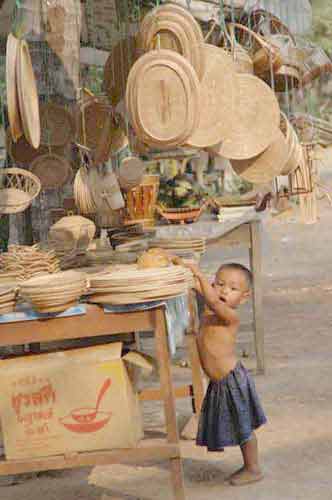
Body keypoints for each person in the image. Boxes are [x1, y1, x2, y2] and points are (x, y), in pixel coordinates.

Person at [184, 261, 267, 486]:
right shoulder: (210, 313)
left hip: (232, 380)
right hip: (220, 382)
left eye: (232, 288)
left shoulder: (229, 316)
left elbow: (210, 298)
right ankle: (249, 465)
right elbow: (203, 293)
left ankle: (253, 468)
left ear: (244, 296)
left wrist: (198, 273)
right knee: (238, 423)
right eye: (219, 284)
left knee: (244, 426)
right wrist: (187, 273)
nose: (223, 291)